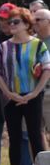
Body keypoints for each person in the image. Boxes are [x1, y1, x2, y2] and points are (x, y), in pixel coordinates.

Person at [0, 7, 50, 165]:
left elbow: (47, 70)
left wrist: (34, 93)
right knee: (14, 137)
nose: (11, 25)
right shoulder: (3, 46)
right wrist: (9, 93)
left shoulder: (38, 45)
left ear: (27, 24)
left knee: (35, 135)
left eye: (16, 22)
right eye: (9, 22)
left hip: (33, 96)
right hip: (11, 97)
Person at [35, 9, 50, 147]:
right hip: (34, 92)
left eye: (39, 20)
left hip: (49, 91)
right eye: (34, 19)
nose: (35, 22)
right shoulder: (31, 41)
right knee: (35, 132)